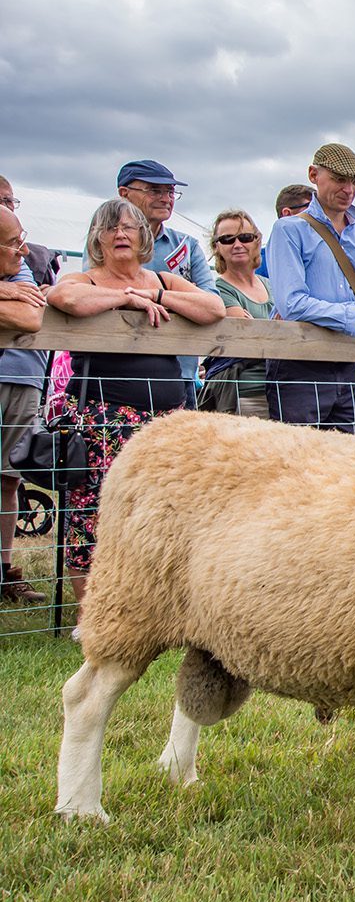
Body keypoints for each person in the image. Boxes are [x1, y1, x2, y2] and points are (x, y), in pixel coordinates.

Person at [47, 199, 224, 603]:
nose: (121, 234)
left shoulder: (161, 278)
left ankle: (152, 605)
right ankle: (90, 613)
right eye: (111, 229)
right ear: (98, 239)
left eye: (129, 227)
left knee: (164, 509)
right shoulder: (86, 280)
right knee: (92, 510)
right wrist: (126, 299)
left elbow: (212, 307)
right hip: (102, 416)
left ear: (144, 236)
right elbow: (67, 300)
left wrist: (157, 295)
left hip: (164, 418)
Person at [263, 143, 355, 433]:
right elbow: (292, 304)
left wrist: (353, 314)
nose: (349, 189)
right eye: (340, 179)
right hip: (300, 362)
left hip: (349, 363)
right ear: (314, 175)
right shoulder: (288, 229)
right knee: (298, 460)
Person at [116, 159, 219, 407]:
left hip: (181, 373)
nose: (166, 198)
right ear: (124, 194)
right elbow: (103, 291)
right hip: (120, 373)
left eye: (170, 191)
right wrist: (182, 302)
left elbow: (211, 301)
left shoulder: (186, 245)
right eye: (155, 190)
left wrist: (153, 297)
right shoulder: (104, 241)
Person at [0, 203, 48, 604]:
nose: (23, 250)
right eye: (14, 244)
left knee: (7, 478)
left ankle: (3, 574)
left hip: (19, 376)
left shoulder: (22, 267)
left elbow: (30, 318)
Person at [198, 209, 274, 418]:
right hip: (243, 395)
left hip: (280, 391)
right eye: (227, 239)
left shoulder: (272, 286)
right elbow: (245, 335)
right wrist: (275, 326)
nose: (238, 244)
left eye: (245, 237)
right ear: (217, 247)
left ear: (257, 241)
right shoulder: (218, 290)